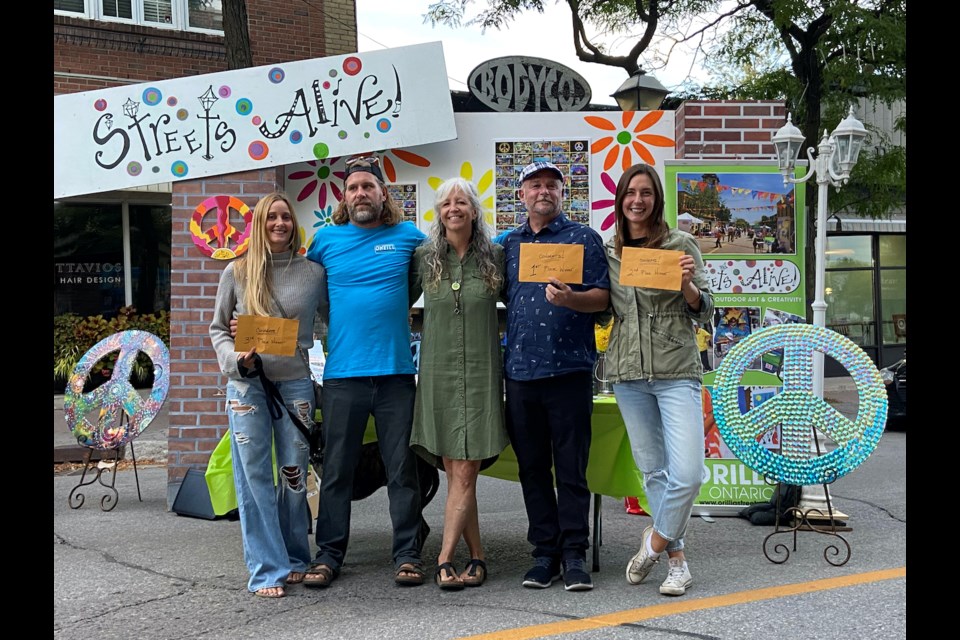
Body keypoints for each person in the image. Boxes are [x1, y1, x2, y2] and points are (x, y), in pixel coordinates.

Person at [302, 154, 428, 589]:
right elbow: (300, 289)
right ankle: (329, 554)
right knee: (337, 470)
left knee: (402, 470)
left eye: (368, 187)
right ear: (344, 195)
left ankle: (408, 554)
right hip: (342, 376)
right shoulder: (325, 241)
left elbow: (438, 264)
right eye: (353, 187)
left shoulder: (408, 236)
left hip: (395, 375)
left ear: (382, 194)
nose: (361, 193)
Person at [600, 163, 714, 597]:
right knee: (654, 471)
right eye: (631, 192)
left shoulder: (681, 244)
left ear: (656, 198)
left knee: (689, 473)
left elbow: (706, 309)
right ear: (621, 199)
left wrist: (686, 284)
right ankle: (677, 563)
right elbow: (603, 306)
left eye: (646, 192)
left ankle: (653, 541)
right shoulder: (610, 251)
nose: (637, 200)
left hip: (676, 370)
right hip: (628, 373)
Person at [209, 192, 328, 598]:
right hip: (248, 386)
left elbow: (329, 321)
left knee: (293, 474)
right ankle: (265, 568)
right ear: (258, 225)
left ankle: (296, 556)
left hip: (294, 382)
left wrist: (316, 350)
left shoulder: (313, 273)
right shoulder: (237, 272)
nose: (280, 223)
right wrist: (235, 359)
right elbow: (218, 328)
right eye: (271, 218)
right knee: (254, 475)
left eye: (286, 217)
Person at [498, 161, 610, 592]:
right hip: (521, 373)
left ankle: (575, 554)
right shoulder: (509, 244)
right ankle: (544, 553)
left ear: (563, 194)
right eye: (535, 185)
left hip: (569, 370)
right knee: (532, 469)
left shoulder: (584, 239)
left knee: (571, 469)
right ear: (521, 194)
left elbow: (602, 298)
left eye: (551, 185)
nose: (543, 191)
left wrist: (571, 300)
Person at [409, 177, 509, 590]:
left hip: (482, 374)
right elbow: (391, 301)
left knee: (465, 472)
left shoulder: (498, 256)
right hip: (439, 374)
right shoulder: (423, 257)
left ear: (474, 210)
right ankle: (480, 557)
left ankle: (445, 558)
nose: (454, 208)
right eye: (447, 202)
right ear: (439, 211)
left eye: (462, 201)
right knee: (457, 475)